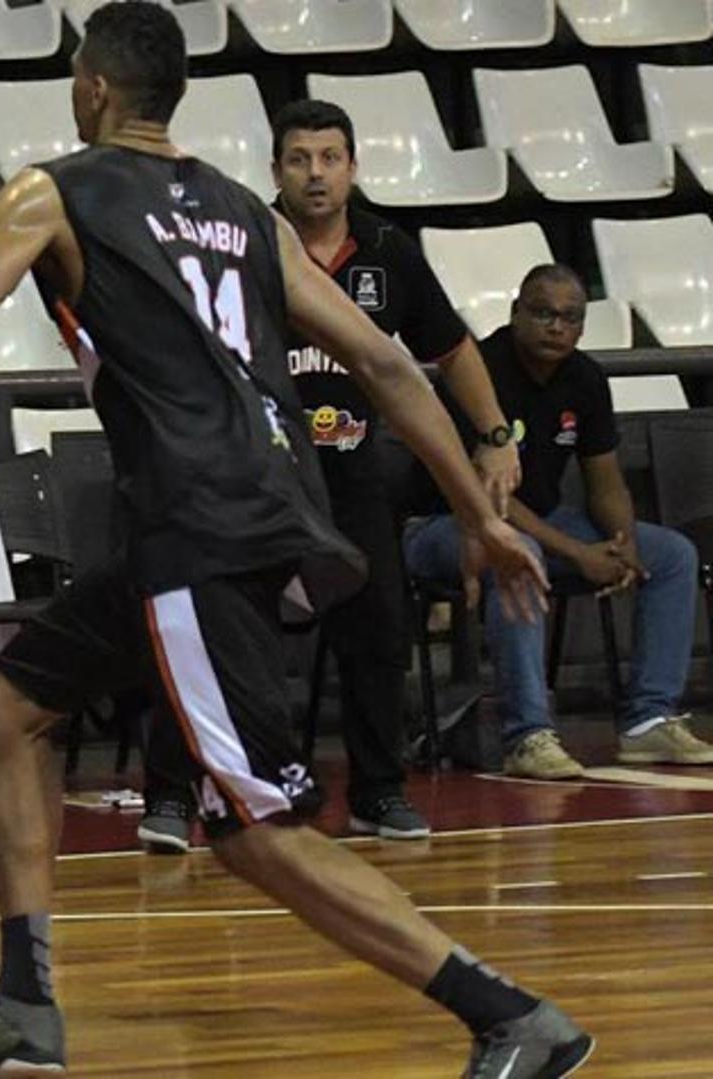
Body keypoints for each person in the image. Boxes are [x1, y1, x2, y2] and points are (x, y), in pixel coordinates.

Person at [0, 6, 590, 1076]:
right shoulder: (243, 210)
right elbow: (391, 366)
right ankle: (25, 1002)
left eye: (78, 74)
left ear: (95, 88)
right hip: (271, 508)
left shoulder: (53, 188)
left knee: (255, 832)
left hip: (200, 523)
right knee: (8, 707)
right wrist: (480, 510)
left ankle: (509, 1013)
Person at [138, 98, 522, 849]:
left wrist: (496, 432)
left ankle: (379, 793)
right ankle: (174, 796)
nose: (316, 174)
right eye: (299, 159)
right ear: (275, 169)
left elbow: (450, 348)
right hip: (249, 477)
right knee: (207, 635)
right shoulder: (234, 241)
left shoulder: (388, 249)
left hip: (348, 477)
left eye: (330, 158)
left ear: (353, 166)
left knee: (379, 627)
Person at [406, 264, 713, 779]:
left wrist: (623, 543)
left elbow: (605, 480)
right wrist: (577, 555)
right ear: (515, 314)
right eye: (543, 313)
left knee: (673, 555)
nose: (556, 327)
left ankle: (648, 720)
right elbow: (485, 500)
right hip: (445, 525)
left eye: (570, 318)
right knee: (519, 552)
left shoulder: (585, 377)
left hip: (541, 520)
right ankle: (527, 735)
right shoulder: (480, 370)